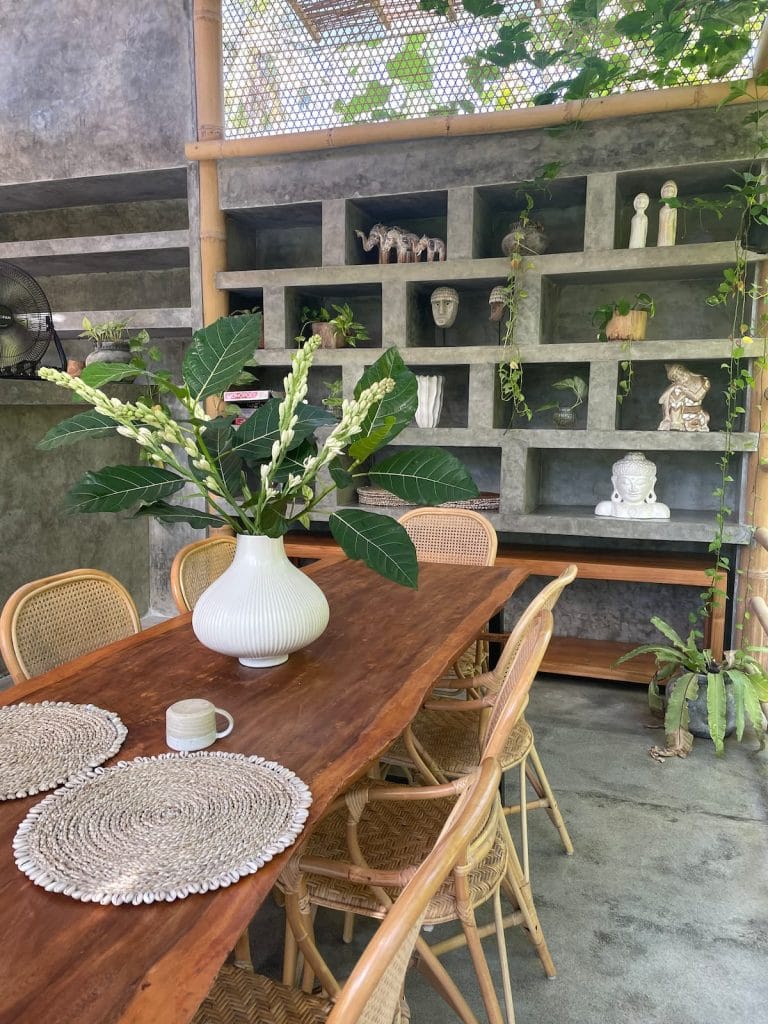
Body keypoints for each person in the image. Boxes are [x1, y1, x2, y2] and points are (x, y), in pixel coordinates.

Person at [595, 452, 670, 519]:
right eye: (626, 483)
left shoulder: (659, 510)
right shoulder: (606, 508)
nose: (633, 489)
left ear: (652, 483)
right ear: (615, 482)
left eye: (640, 483)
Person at [658, 363, 710, 432]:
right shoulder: (677, 384)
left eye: (677, 374)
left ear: (682, 370)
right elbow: (661, 400)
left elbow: (697, 397)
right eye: (674, 377)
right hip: (678, 416)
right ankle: (674, 423)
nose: (677, 377)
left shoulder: (703, 381)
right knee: (676, 391)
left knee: (703, 418)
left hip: (696, 415)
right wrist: (673, 387)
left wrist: (684, 389)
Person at [657, 180, 678, 246]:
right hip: (661, 237)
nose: (668, 193)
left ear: (674, 193)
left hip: (670, 237)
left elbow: (674, 225)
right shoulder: (662, 210)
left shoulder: (674, 209)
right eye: (666, 191)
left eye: (671, 191)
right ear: (662, 193)